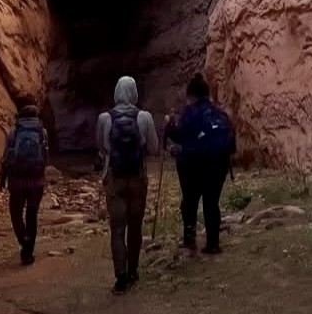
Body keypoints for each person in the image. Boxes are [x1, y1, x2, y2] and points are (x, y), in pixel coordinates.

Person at [96, 76, 159, 294]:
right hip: (138, 178)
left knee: (117, 229)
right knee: (135, 226)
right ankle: (133, 271)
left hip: (115, 178)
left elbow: (102, 148)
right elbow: (153, 148)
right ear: (134, 92)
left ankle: (120, 278)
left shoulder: (104, 118)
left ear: (116, 92)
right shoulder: (145, 117)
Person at [166, 74, 236, 254]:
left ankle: (189, 239)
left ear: (191, 95)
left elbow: (178, 135)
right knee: (211, 203)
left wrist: (169, 125)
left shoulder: (189, 113)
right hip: (218, 166)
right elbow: (232, 145)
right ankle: (213, 243)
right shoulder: (220, 114)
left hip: (193, 167)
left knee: (189, 202)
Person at [0, 96, 48, 265]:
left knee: (16, 213)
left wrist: (2, 178)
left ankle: (24, 240)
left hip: (17, 181)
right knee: (32, 214)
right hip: (36, 181)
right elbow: (45, 157)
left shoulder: (14, 132)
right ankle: (28, 253)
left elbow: (7, 157)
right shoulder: (42, 131)